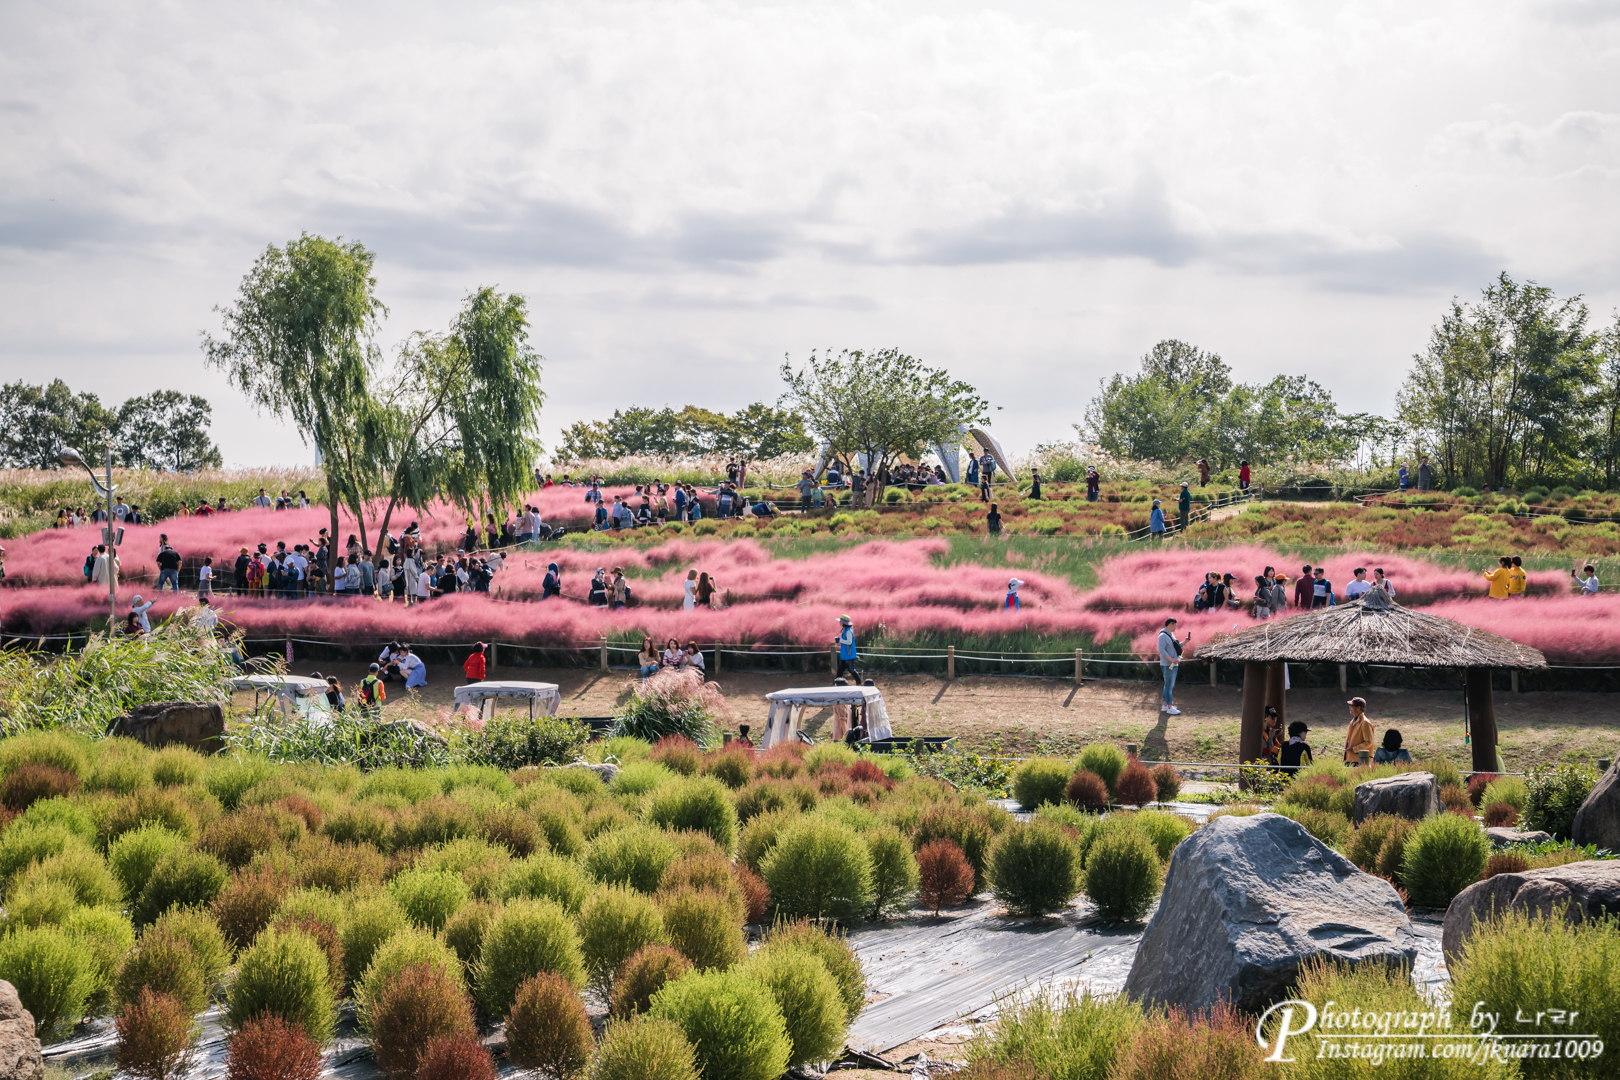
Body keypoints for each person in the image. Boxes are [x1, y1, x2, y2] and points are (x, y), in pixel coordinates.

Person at [1157, 617, 1190, 715]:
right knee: (1169, 686)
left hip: (1173, 664)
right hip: (1168, 664)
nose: (1176, 627)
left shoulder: (1171, 635)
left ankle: (1165, 705)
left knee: (1167, 685)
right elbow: (1161, 650)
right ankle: (1170, 707)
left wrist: (1185, 642)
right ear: (1170, 624)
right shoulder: (1163, 636)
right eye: (1175, 625)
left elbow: (1176, 647)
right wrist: (1172, 660)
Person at [1342, 697, 1376, 766]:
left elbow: (1369, 742)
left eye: (1352, 705)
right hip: (1350, 759)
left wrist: (1354, 749)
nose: (1350, 707)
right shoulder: (1353, 720)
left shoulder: (1365, 722)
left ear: (1358, 708)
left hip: (1359, 761)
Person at [836, 615, 860, 681]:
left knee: (851, 669)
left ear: (843, 623)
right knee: (840, 668)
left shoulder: (848, 631)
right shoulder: (844, 630)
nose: (839, 623)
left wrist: (840, 640)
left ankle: (859, 682)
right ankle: (835, 683)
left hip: (848, 654)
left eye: (840, 622)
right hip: (845, 654)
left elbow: (849, 642)